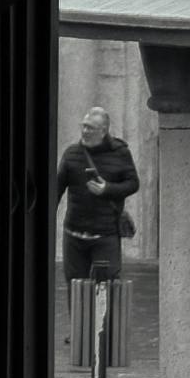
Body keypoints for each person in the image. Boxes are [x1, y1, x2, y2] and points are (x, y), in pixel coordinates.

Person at [55, 103, 139, 282]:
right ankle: (78, 312)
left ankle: (103, 311)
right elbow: (56, 190)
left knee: (104, 290)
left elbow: (133, 183)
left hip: (105, 235)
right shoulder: (72, 154)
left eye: (90, 128)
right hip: (74, 234)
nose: (84, 131)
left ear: (103, 131)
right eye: (83, 126)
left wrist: (107, 189)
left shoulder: (120, 153)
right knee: (76, 289)